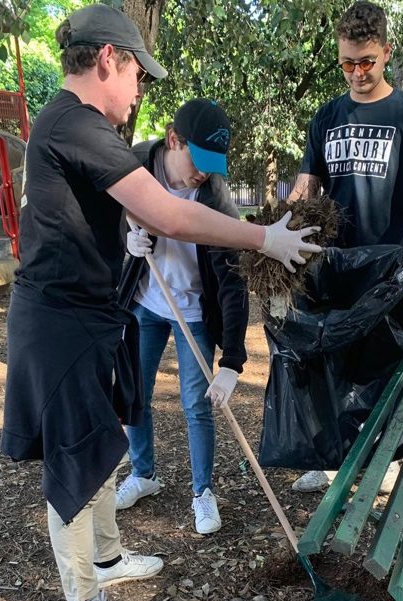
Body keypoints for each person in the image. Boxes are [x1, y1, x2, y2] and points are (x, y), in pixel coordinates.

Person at [0, 4, 321, 601]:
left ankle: (110, 559)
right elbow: (172, 216)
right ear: (107, 60)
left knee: (99, 447)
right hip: (59, 327)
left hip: (88, 320)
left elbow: (116, 217)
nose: (140, 90)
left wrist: (130, 232)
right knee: (73, 460)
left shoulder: (76, 126)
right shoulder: (78, 124)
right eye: (138, 75)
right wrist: (265, 235)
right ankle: (82, 600)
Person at [286, 1, 403, 488]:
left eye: (366, 61)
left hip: (384, 264)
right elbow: (306, 186)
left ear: (386, 52)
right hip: (332, 263)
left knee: (386, 360)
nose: (356, 73)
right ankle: (334, 459)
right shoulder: (328, 115)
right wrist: (277, 228)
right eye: (347, 62)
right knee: (331, 359)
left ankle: (389, 461)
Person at [115, 99, 247, 536]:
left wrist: (231, 362)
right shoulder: (135, 166)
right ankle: (143, 473)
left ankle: (203, 492)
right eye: (199, 160)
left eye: (214, 164)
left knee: (197, 404)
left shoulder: (215, 197)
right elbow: (108, 214)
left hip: (192, 312)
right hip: (146, 302)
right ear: (174, 140)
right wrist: (127, 241)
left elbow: (232, 282)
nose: (204, 172)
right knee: (135, 392)